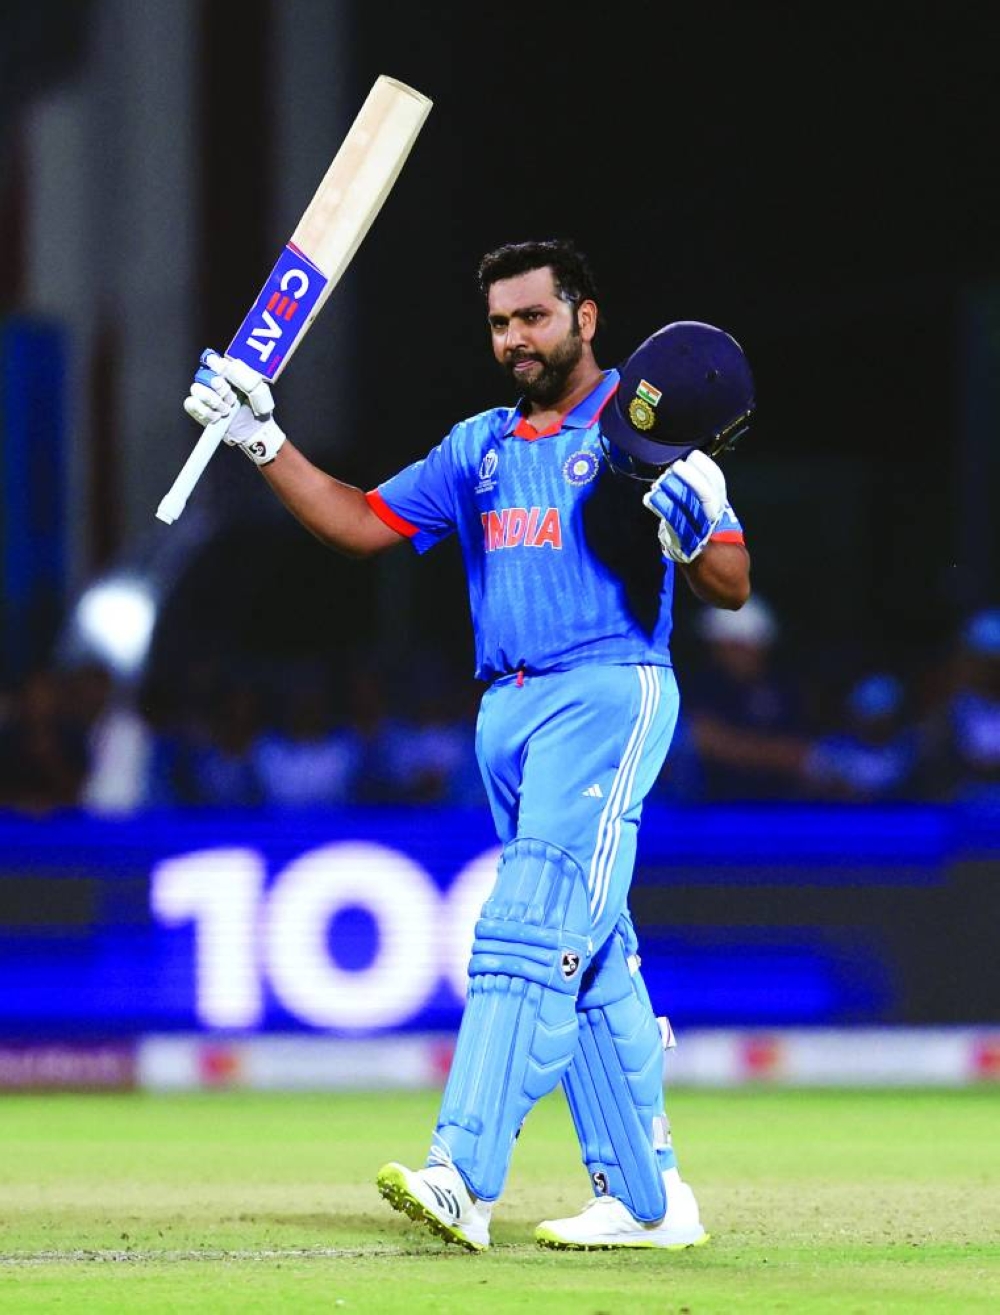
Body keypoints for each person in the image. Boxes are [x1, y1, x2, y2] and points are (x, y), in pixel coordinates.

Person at [183, 239, 754, 1251]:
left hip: (605, 689)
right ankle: (647, 1200)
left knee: (528, 931)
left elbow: (732, 583)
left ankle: (463, 1172)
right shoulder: (478, 447)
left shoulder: (646, 421)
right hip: (507, 711)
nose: (514, 339)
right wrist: (259, 439)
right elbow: (360, 525)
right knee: (588, 950)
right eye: (499, 323)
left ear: (584, 316)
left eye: (533, 317)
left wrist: (697, 532)